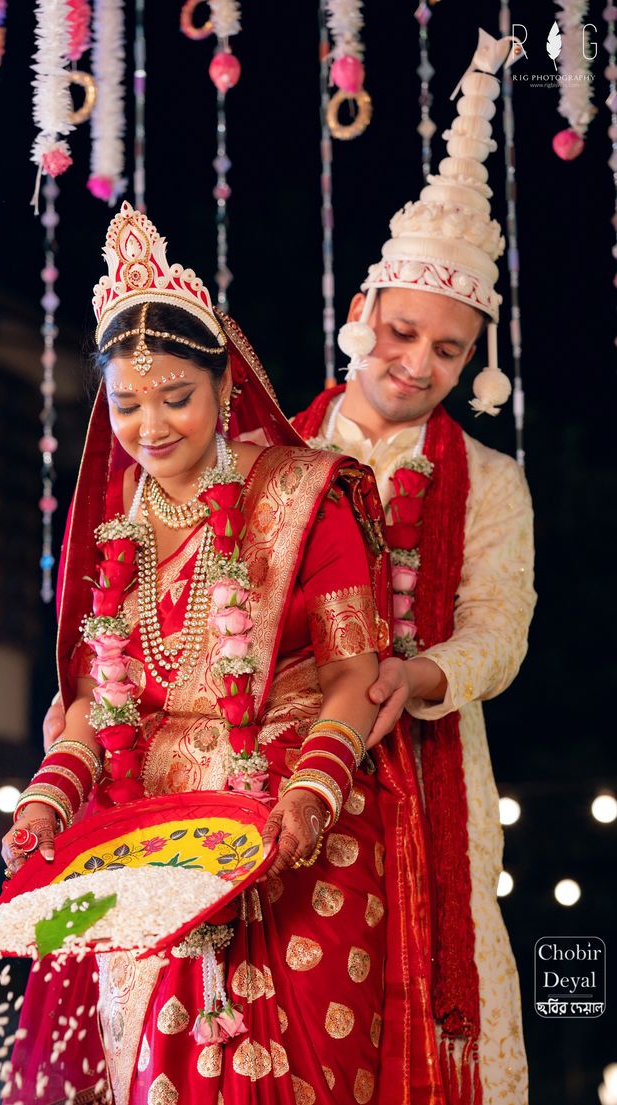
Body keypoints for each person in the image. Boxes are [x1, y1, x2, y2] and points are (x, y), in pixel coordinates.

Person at [2, 201, 445, 1104]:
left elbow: (355, 676)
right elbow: (100, 696)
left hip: (289, 810)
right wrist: (50, 798)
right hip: (149, 823)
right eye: (127, 403)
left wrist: (308, 797)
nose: (151, 425)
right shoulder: (113, 520)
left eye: (176, 397)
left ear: (223, 389)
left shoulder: (301, 495)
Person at [293, 29, 535, 1105]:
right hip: (286, 774)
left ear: (472, 360)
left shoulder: (490, 481)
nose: (416, 365)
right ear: (359, 318)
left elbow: (498, 630)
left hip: (431, 778)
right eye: (399, 333)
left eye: (448, 350)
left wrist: (418, 676)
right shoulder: (273, 460)